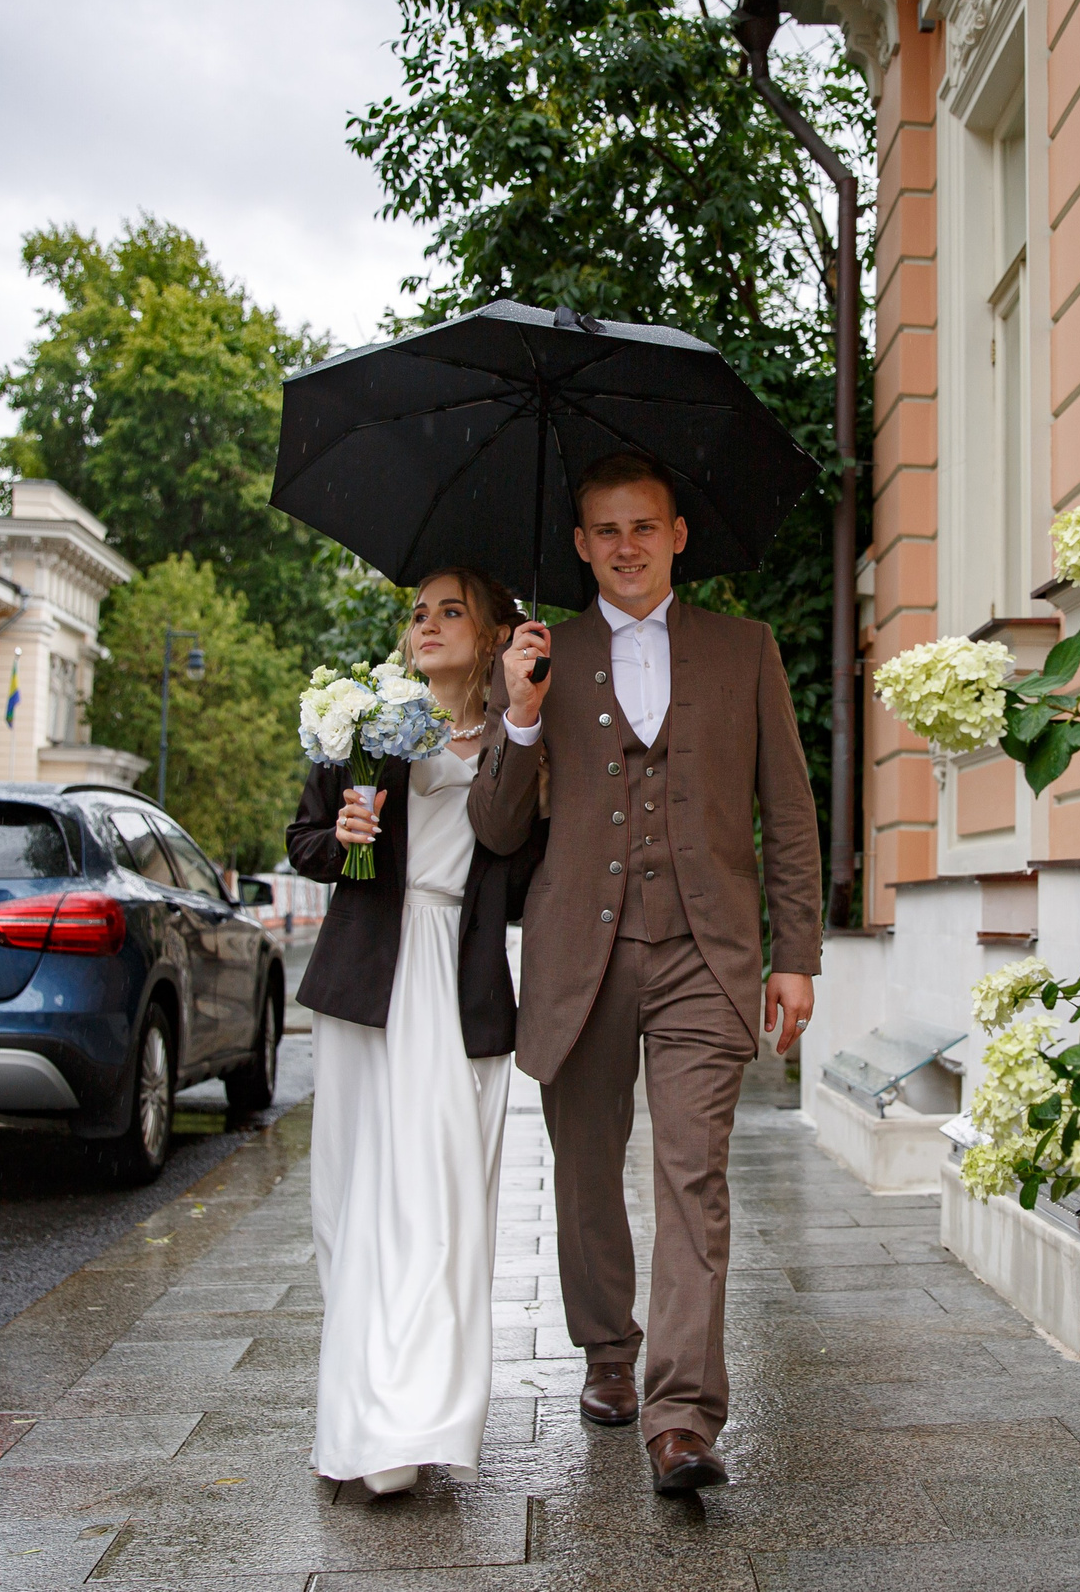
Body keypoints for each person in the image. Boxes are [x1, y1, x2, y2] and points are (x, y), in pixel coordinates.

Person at [470, 450, 821, 1494]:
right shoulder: (541, 656)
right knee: (584, 1179)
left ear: (676, 535)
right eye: (605, 530)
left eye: (644, 526)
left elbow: (788, 814)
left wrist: (794, 956)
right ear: (580, 544)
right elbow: (495, 828)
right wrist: (519, 714)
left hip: (705, 954)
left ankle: (682, 1416)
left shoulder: (744, 649)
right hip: (579, 952)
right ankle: (608, 1355)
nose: (625, 545)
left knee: (693, 1180)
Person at [285, 568, 541, 1495]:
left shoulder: (520, 737)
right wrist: (345, 828)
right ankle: (356, 1413)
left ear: (493, 631)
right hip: (367, 979)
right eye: (419, 611)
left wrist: (522, 719)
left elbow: (522, 858)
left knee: (440, 1203)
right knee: (350, 1200)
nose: (427, 625)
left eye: (451, 610)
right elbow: (306, 841)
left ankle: (419, 1415)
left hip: (459, 979)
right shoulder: (364, 720)